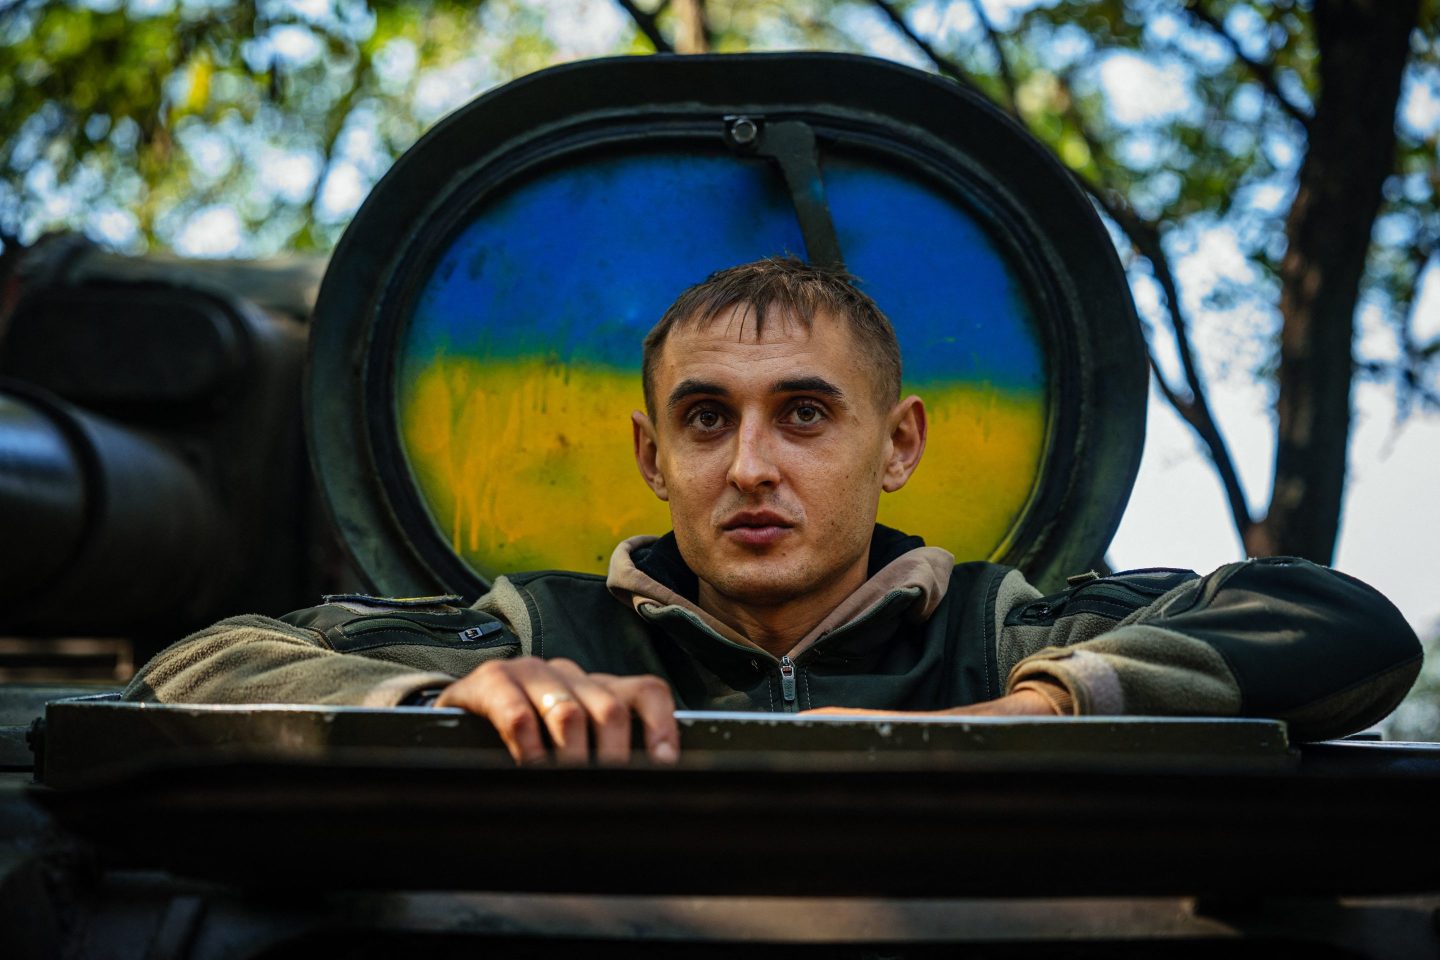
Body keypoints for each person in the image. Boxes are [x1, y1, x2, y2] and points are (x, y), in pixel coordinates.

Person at [125, 257, 1423, 765]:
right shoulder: (540, 623)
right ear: (652, 455)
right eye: (706, 419)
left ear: (895, 444)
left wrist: (1039, 704)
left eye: (805, 414)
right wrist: (448, 698)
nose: (752, 465)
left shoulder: (1011, 623)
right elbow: (199, 662)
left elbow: (1344, 628)